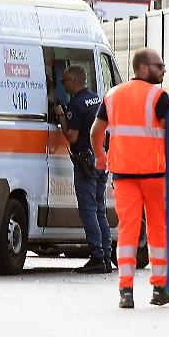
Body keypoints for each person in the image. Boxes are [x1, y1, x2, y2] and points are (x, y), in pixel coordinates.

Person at [91, 48, 169, 309]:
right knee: (157, 230)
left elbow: (96, 131)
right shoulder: (158, 96)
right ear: (142, 68)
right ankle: (160, 287)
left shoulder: (112, 95)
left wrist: (100, 156)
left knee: (127, 231)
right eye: (159, 66)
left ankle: (125, 290)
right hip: (154, 174)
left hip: (124, 175)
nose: (163, 70)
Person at [53, 65, 113, 274]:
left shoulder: (76, 105)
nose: (64, 85)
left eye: (65, 82)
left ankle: (97, 257)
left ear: (74, 81)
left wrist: (61, 117)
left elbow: (72, 137)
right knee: (99, 209)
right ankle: (106, 256)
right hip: (101, 158)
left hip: (85, 161)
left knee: (88, 210)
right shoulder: (97, 100)